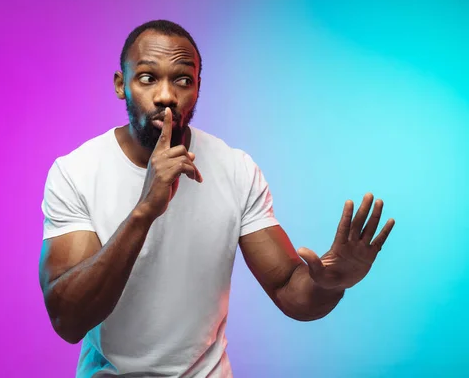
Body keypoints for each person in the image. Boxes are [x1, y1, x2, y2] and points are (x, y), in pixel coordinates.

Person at [38, 19, 395, 377]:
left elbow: (288, 288)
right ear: (121, 85)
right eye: (147, 78)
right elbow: (67, 320)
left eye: (183, 80)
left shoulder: (235, 169)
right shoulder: (76, 172)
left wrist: (330, 285)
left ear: (197, 89)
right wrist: (145, 210)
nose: (166, 96)